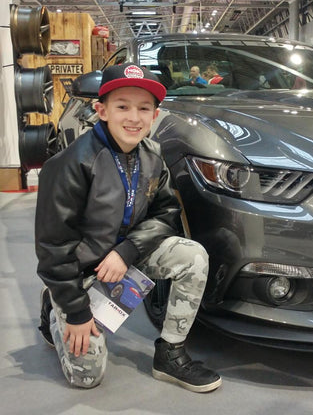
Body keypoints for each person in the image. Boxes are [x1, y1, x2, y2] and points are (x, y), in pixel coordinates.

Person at [36, 62, 221, 393]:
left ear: (154, 115)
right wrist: (76, 312)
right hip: (81, 272)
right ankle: (55, 305)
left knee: (193, 256)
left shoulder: (152, 154)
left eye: (143, 108)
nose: (133, 118)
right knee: (87, 377)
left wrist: (128, 250)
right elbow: (53, 248)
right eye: (122, 106)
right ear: (101, 110)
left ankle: (170, 353)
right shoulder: (70, 164)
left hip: (125, 259)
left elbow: (167, 210)